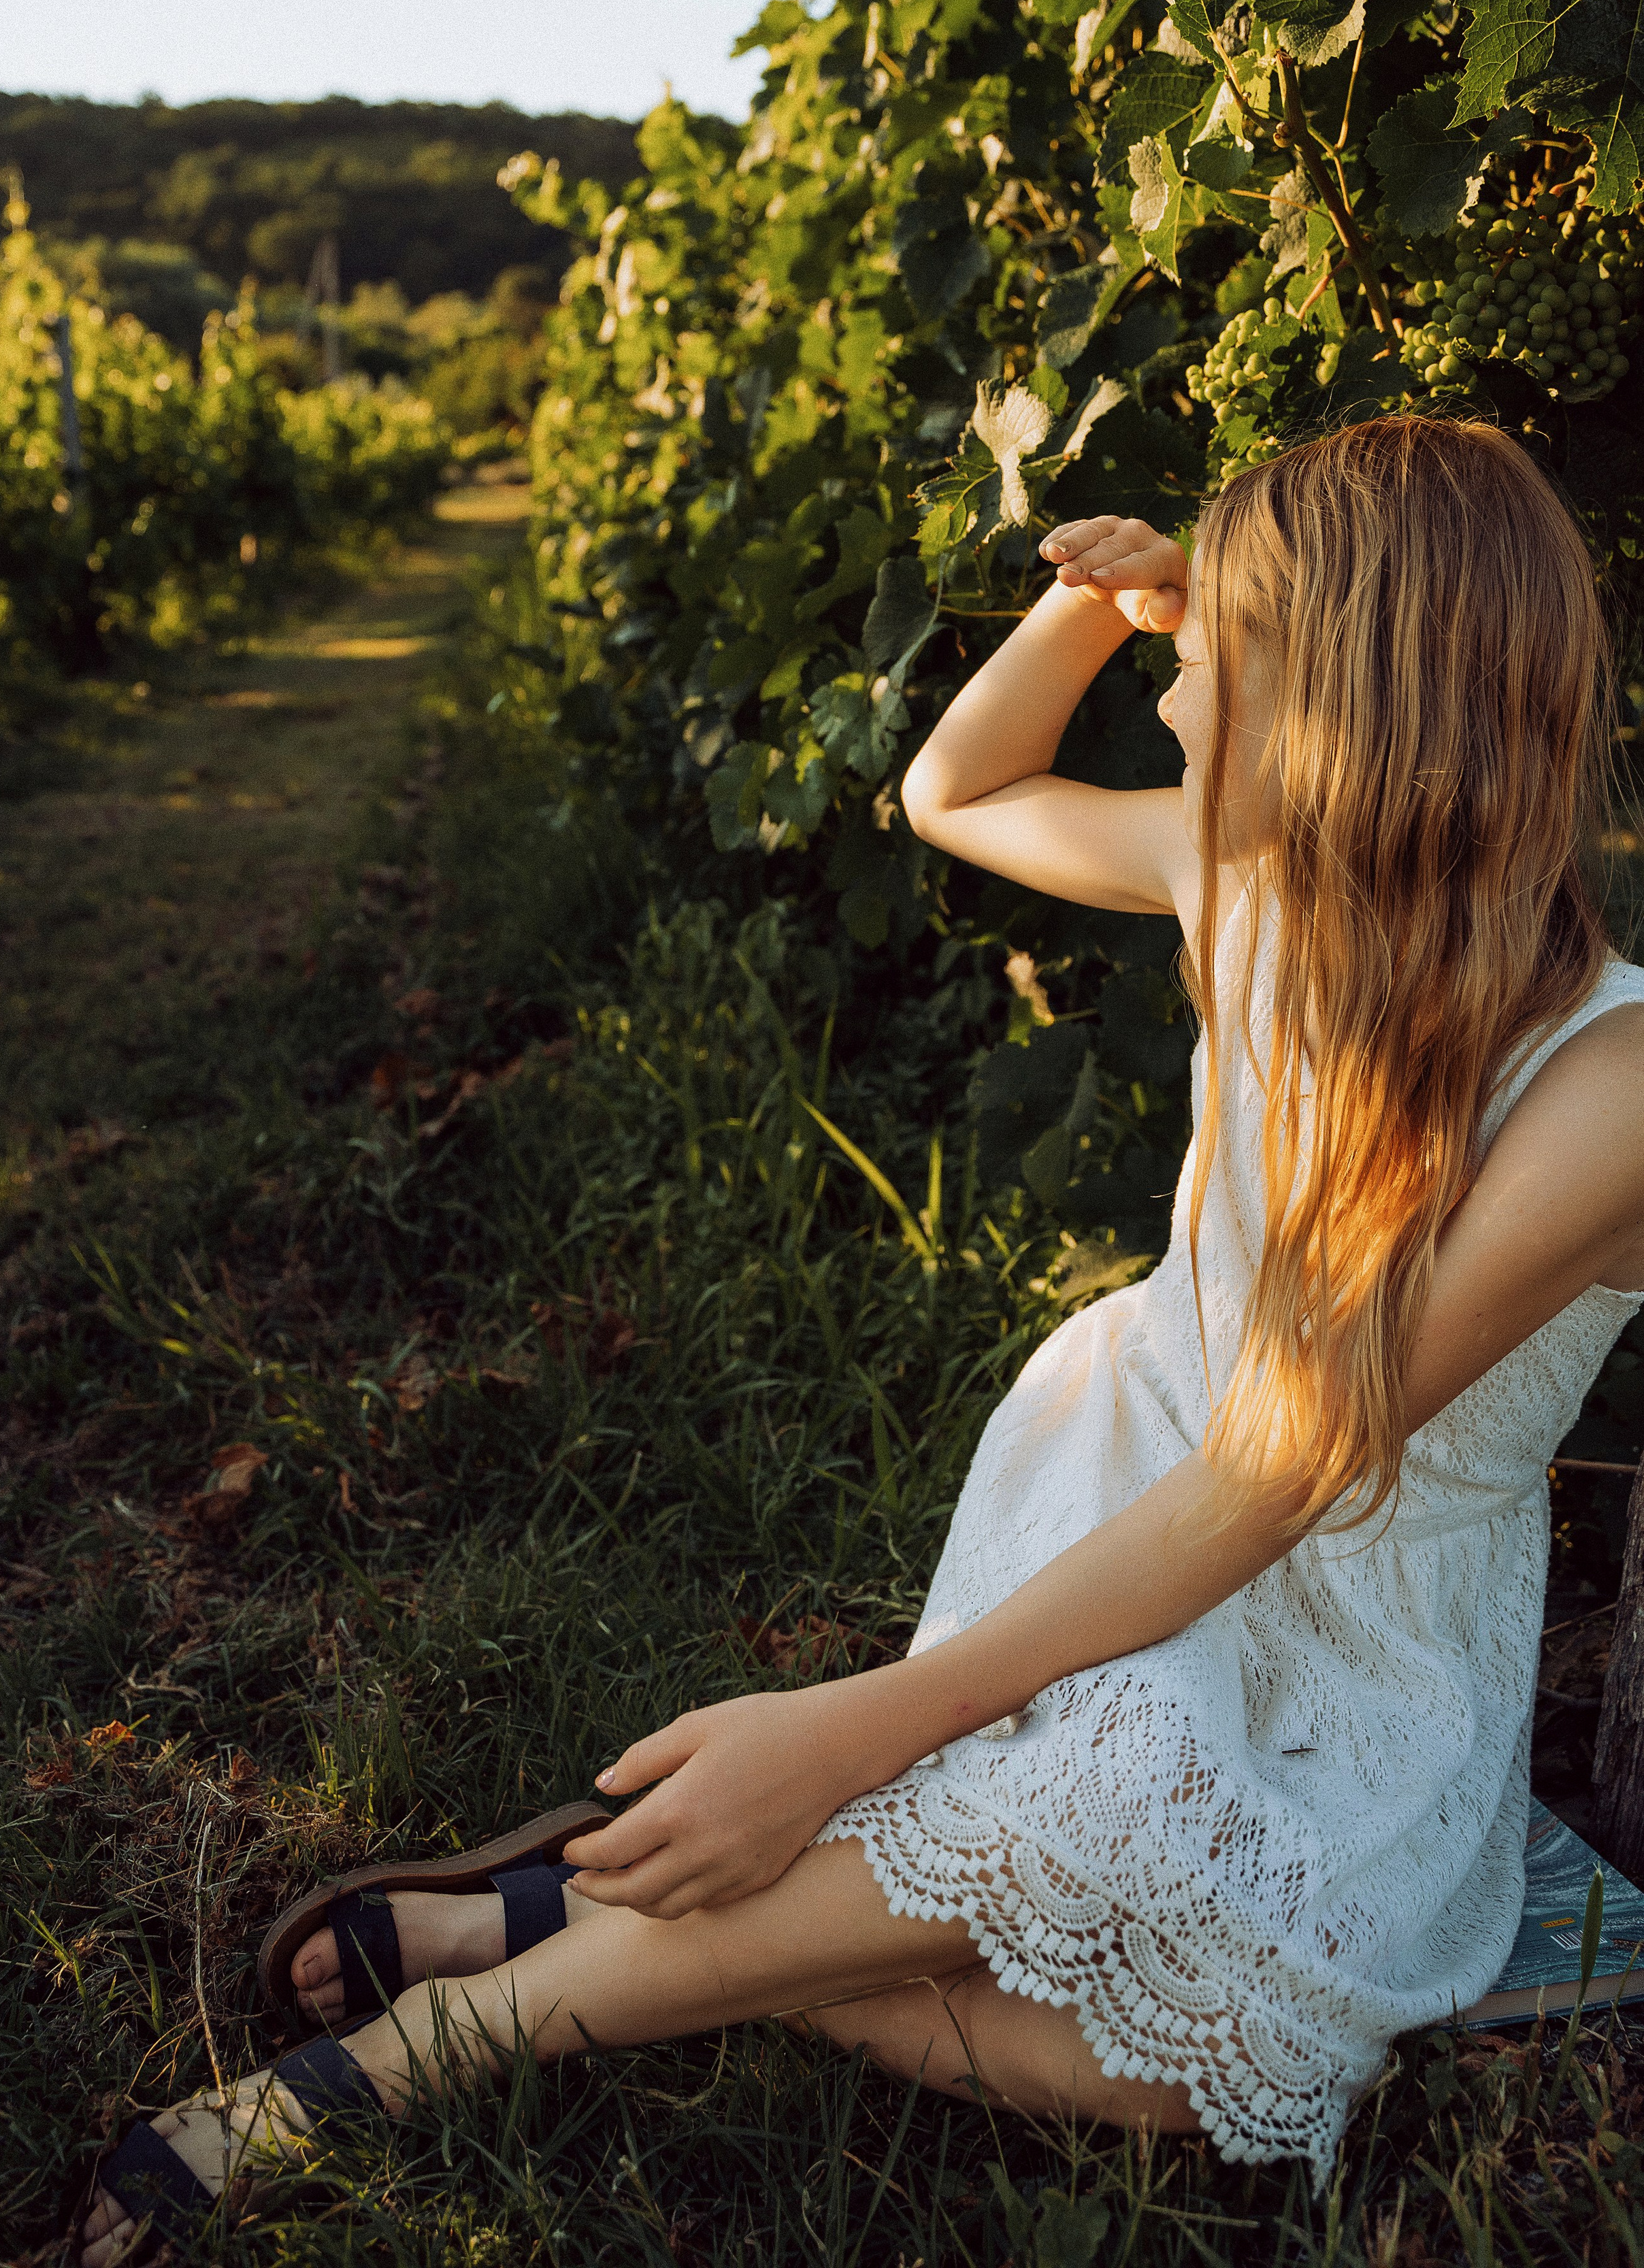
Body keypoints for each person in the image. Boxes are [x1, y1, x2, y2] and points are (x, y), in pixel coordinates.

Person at [82, 414, 1644, 2263]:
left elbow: (1286, 1473)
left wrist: (841, 1740)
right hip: (1139, 1474)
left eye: (1206, 664)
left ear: (1336, 697)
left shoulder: (1609, 1080)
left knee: (1237, 2067)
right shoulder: (1245, 874)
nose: (1171, 706)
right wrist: (1093, 612)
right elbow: (953, 793)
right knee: (1098, 1832)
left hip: (1357, 1609)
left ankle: (549, 1919)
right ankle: (439, 2041)